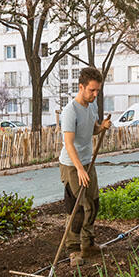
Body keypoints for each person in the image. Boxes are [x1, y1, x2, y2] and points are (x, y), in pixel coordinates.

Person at [59, 66, 111, 266]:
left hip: (87, 162)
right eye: (92, 90)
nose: (95, 94)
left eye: (98, 90)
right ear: (81, 87)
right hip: (72, 165)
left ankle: (88, 244)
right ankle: (73, 250)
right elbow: (69, 144)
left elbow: (92, 130)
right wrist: (80, 169)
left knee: (93, 203)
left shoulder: (91, 107)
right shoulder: (70, 111)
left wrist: (101, 127)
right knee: (77, 209)